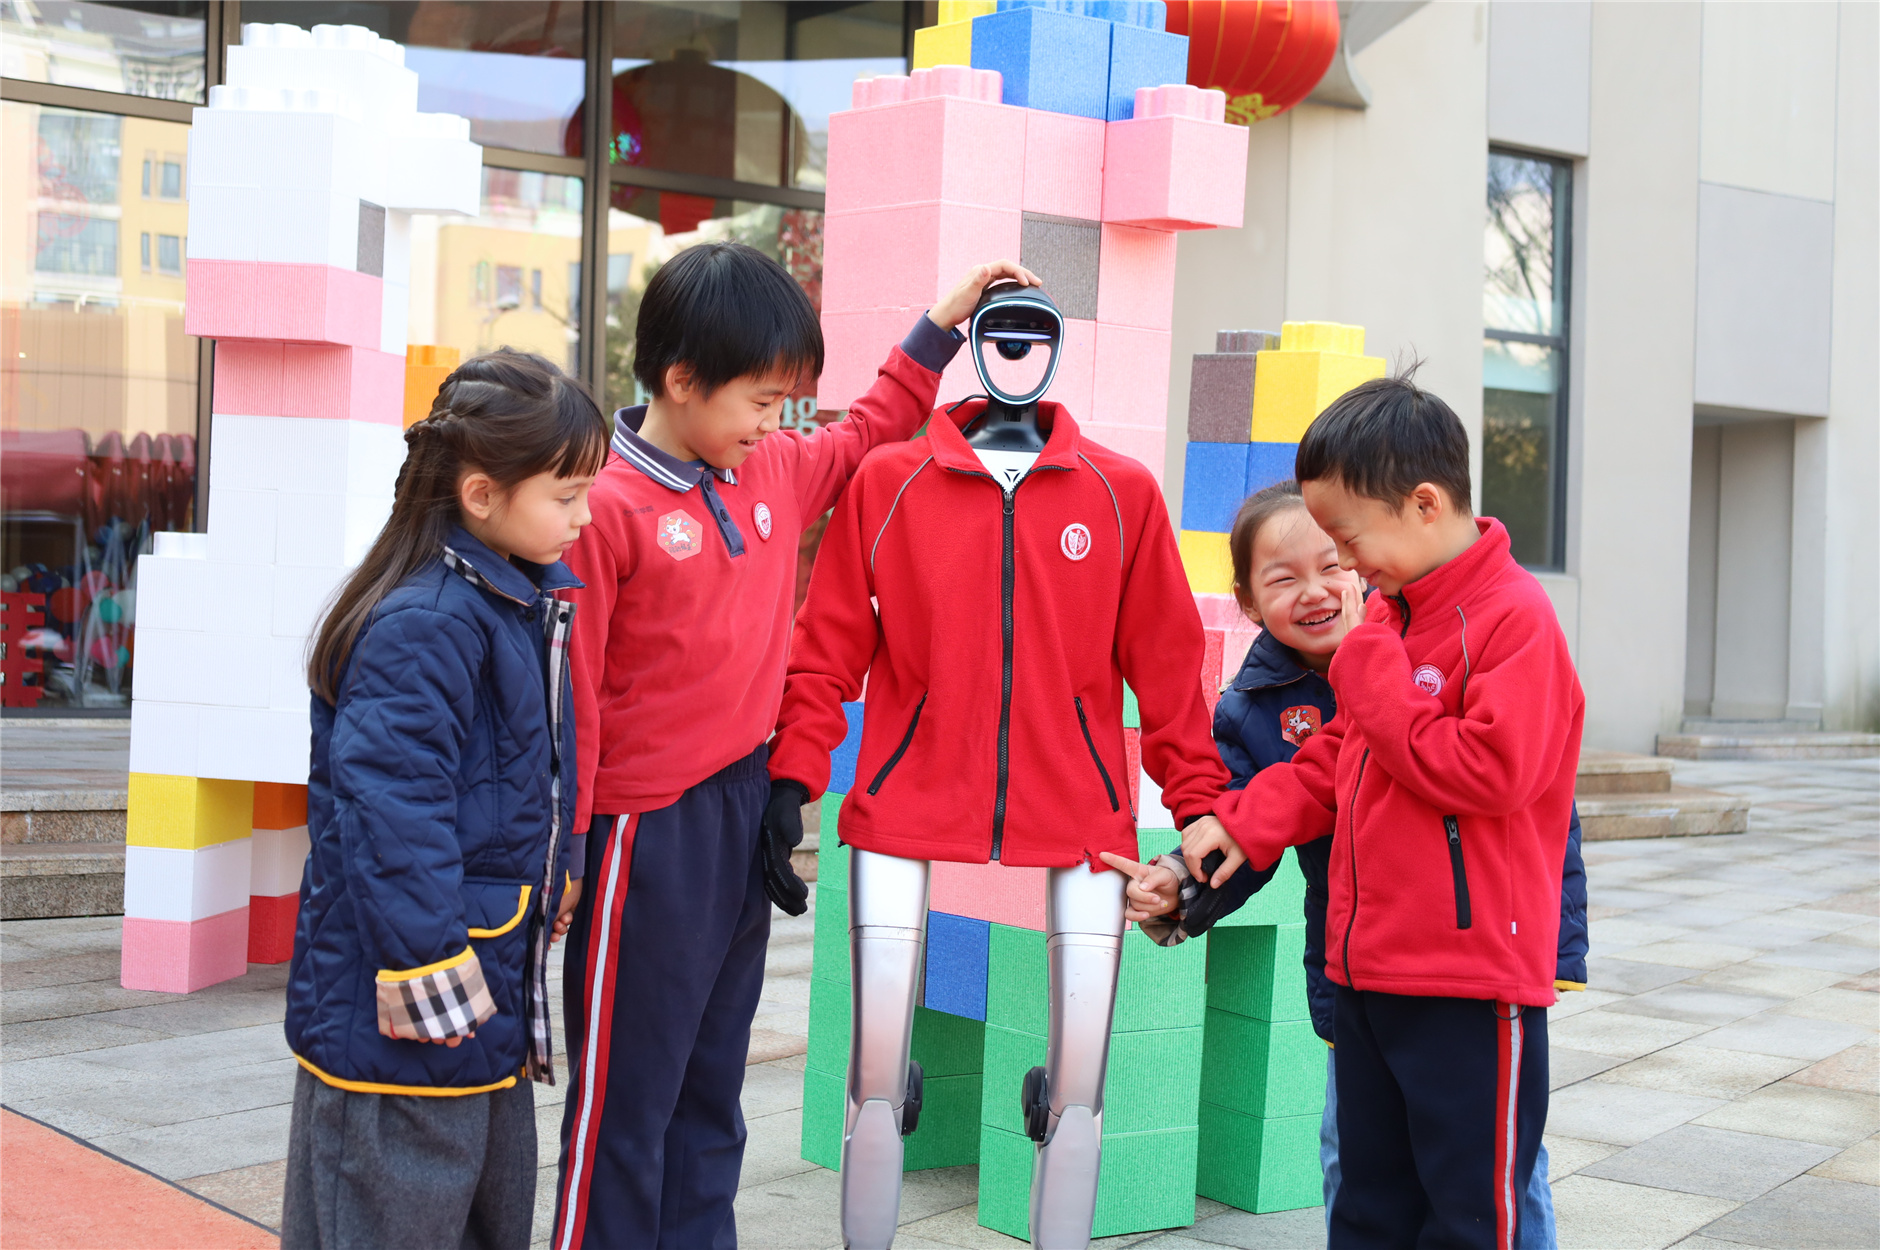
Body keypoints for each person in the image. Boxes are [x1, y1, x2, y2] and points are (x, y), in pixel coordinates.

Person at [553, 242, 1040, 1250]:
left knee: (711, 1091)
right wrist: (565, 850)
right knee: (626, 1102)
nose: (775, 422)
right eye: (761, 400)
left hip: (738, 808)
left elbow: (868, 430)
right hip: (641, 833)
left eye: (785, 402)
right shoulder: (604, 508)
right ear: (680, 381)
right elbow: (572, 706)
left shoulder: (771, 467)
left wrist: (941, 326)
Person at [1111, 479, 1589, 1249]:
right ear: (1246, 599)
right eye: (1283, 577)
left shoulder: (1447, 633)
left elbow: (1536, 818)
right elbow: (1258, 816)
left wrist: (1552, 952)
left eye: (1335, 560)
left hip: (1472, 962)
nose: (1318, 590)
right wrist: (1183, 880)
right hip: (1355, 965)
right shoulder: (1256, 706)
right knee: (1359, 1165)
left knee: (1493, 1180)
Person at [281, 349, 608, 1250]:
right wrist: (432, 966)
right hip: (417, 1002)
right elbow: (392, 810)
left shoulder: (505, 599)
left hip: (476, 989)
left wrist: (560, 867)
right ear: (481, 494)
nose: (584, 517)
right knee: (394, 1217)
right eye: (567, 495)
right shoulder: (429, 620)